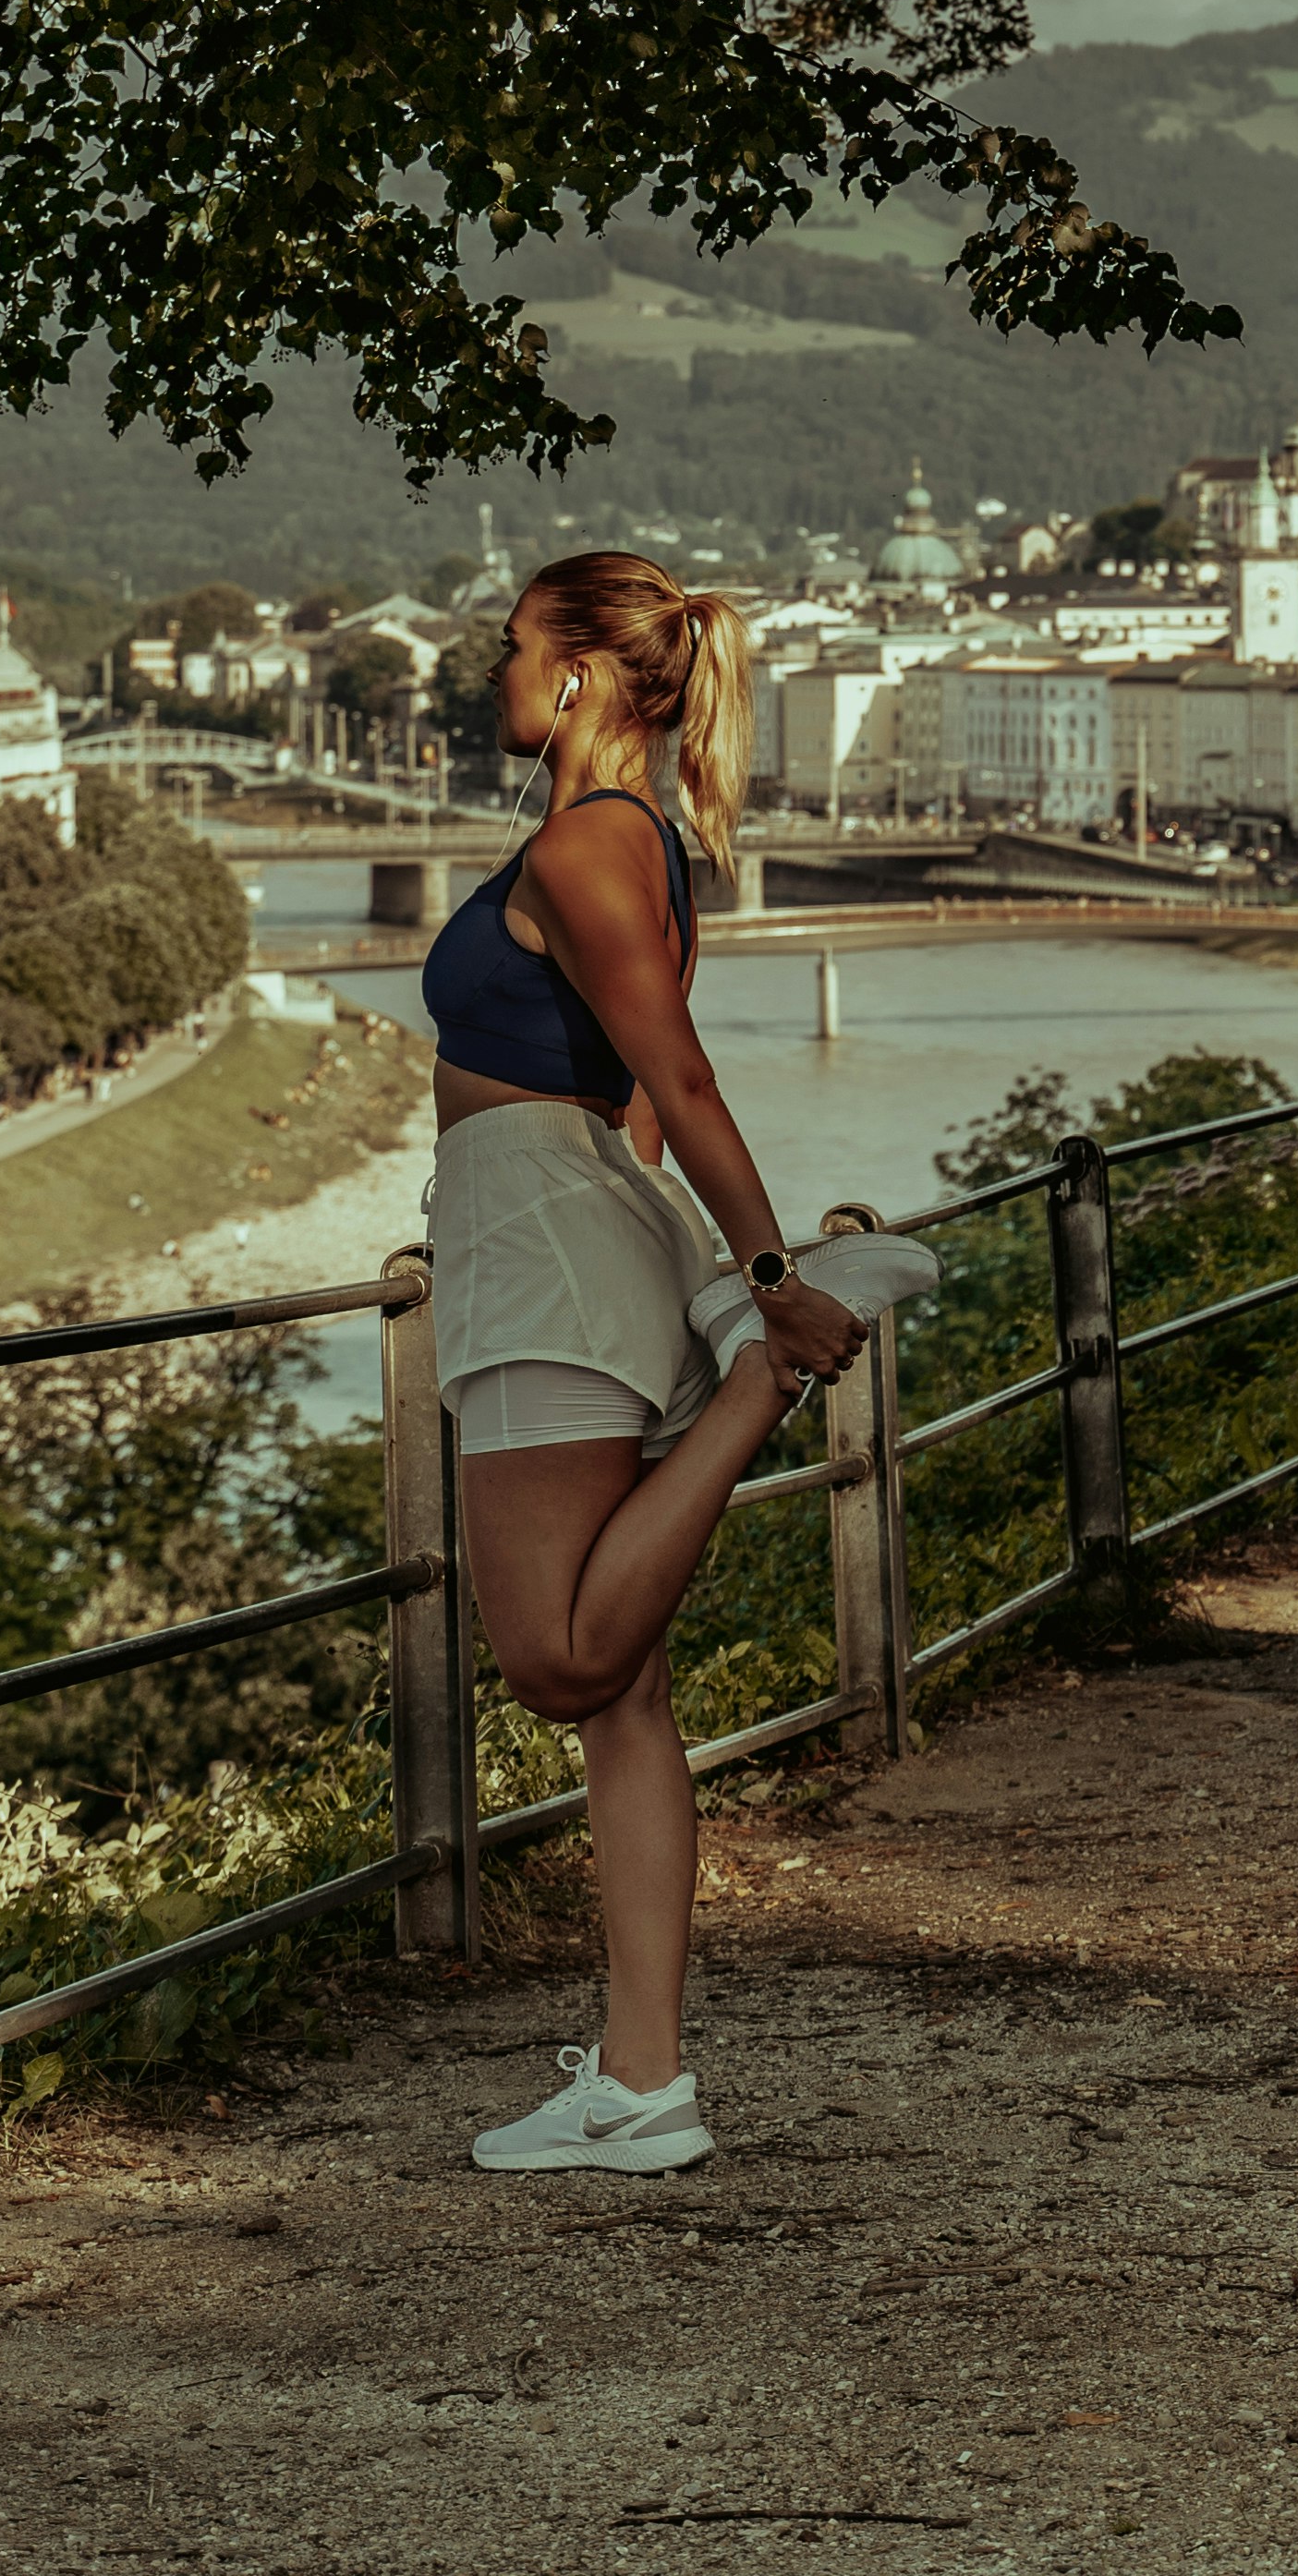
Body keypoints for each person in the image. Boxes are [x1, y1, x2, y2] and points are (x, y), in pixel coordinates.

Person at [419, 549, 864, 2175]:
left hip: (541, 1243)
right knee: (630, 1706)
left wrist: (763, 1284)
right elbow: (625, 1087)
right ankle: (643, 2083)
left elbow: (678, 1075)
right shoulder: (635, 844)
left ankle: (761, 1377)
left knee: (555, 1664)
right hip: (561, 1225)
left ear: (582, 676)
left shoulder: (593, 843)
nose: (497, 676)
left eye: (515, 648)